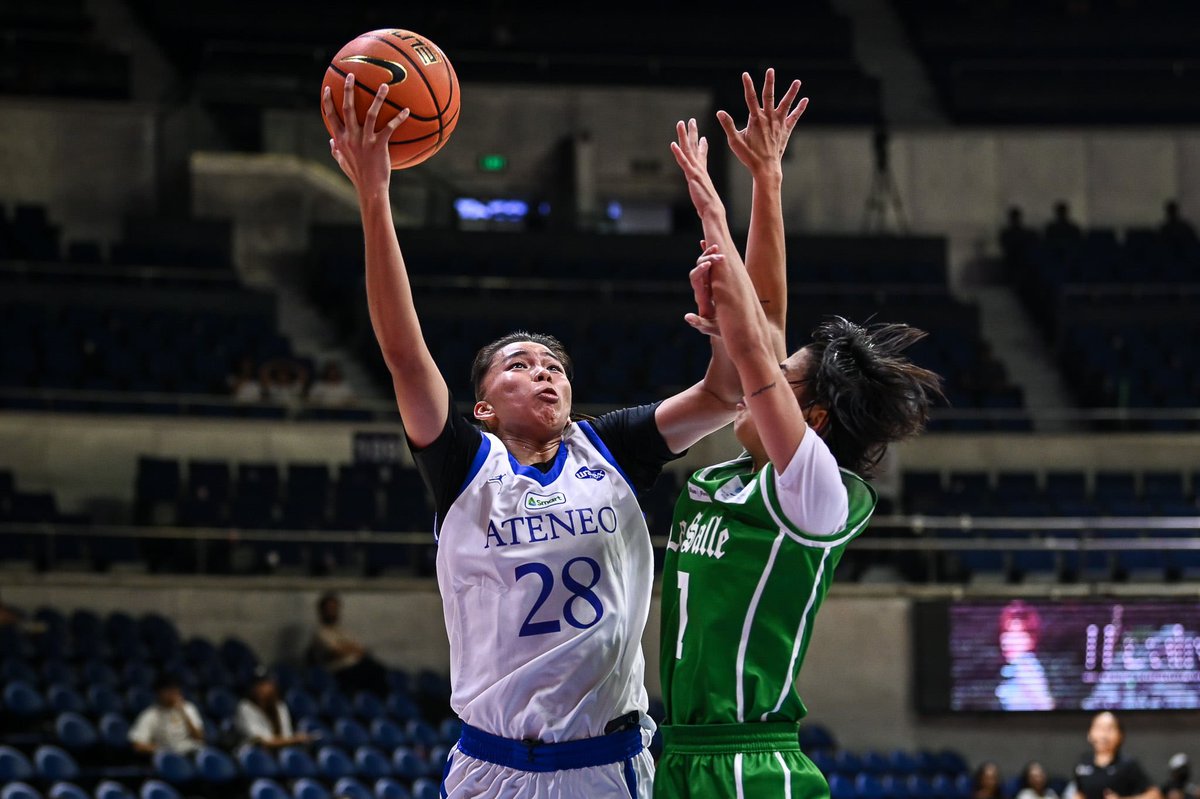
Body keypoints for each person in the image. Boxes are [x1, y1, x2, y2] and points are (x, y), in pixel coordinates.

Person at [323, 70, 741, 799]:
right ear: (481, 405)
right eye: (520, 365)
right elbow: (401, 350)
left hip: (607, 767)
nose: (545, 374)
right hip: (494, 768)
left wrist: (722, 295)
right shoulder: (462, 463)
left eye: (555, 366)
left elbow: (728, 392)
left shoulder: (607, 447)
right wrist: (374, 196)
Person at [655, 71, 942, 798]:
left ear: (811, 420)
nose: (764, 378)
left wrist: (714, 221)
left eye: (785, 381)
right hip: (682, 753)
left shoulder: (819, 496)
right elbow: (769, 318)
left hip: (752, 764)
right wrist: (766, 180)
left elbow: (754, 349)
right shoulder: (736, 478)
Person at [310, 591, 389, 699]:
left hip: (357, 667)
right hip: (339, 672)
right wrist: (350, 648)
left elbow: (361, 650)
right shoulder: (321, 633)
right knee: (373, 671)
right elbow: (336, 652)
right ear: (322, 611)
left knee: (379, 670)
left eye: (335, 608)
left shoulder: (344, 632)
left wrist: (347, 648)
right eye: (329, 609)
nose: (332, 612)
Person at [1067, 711, 1163, 799]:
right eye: (1099, 728)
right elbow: (1080, 792)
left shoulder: (1128, 765)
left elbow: (1155, 795)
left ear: (1120, 735)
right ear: (1089, 733)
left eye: (1109, 729)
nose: (1103, 735)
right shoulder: (1083, 762)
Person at [995, 600, 1054, 711]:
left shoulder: (1026, 666)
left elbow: (1046, 705)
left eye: (1017, 635)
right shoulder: (1016, 667)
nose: (1008, 641)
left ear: (1031, 641)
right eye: (1006, 633)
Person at [235, 669, 314, 749]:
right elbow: (263, 742)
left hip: (280, 753)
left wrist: (294, 739)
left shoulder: (280, 706)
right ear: (253, 688)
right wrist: (295, 740)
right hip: (255, 754)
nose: (266, 688)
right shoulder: (245, 708)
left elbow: (286, 736)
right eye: (261, 685)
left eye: (268, 683)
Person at [128, 675, 205, 755]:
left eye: (176, 690)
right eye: (169, 690)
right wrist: (162, 750)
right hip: (170, 756)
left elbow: (199, 737)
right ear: (158, 693)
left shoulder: (188, 708)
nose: (173, 694)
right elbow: (137, 745)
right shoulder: (149, 714)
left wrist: (183, 713)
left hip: (193, 751)